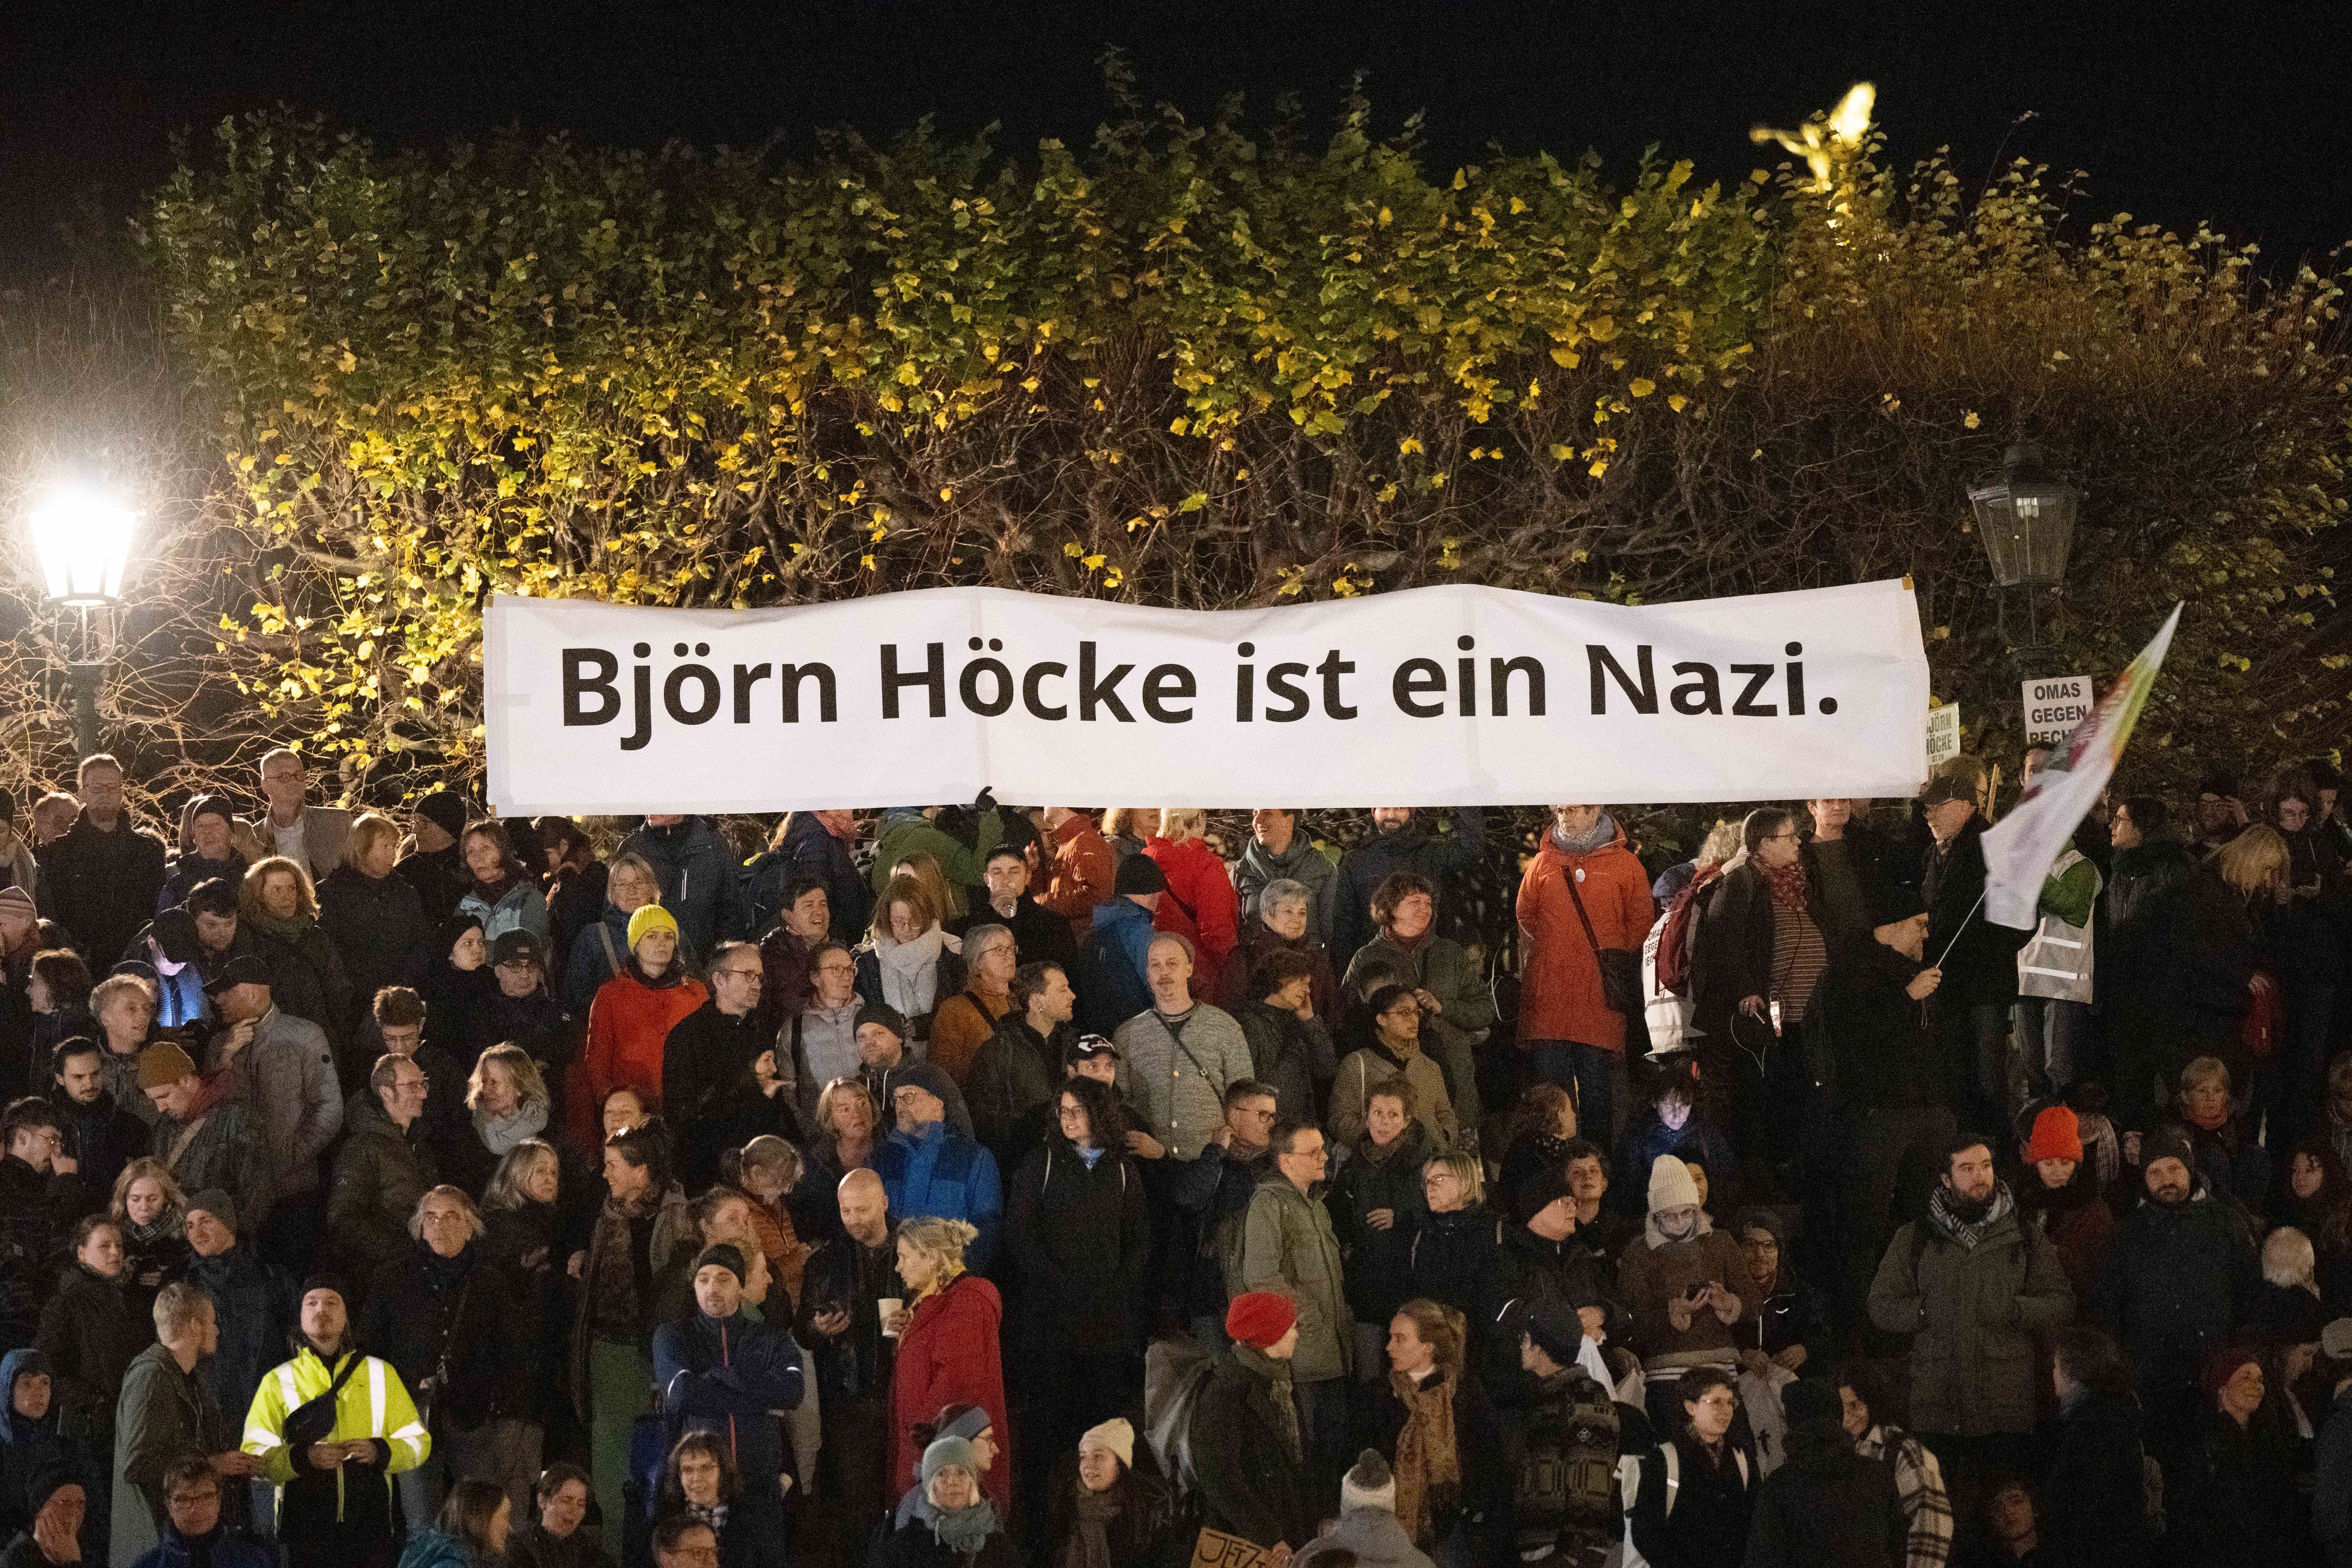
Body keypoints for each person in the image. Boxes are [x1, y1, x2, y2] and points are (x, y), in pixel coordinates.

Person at [1868, 1136, 2073, 1502]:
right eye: (1967, 1168)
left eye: (1986, 1166)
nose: (1980, 1176)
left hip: (2006, 1408)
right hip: (1939, 1409)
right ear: (1946, 1179)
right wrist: (1922, 1312)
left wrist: (2016, 1310)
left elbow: (2061, 1303)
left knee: (2007, 1512)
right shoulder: (1915, 1238)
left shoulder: (2024, 1234)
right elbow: (1881, 1306)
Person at [1005, 1077, 1150, 1473]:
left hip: (1106, 1323)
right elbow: (1020, 1234)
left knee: (1101, 1422)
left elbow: (1138, 1238)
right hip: (1052, 1320)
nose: (1068, 1119)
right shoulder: (1042, 1163)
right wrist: (1057, 1284)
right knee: (1049, 1425)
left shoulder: (1122, 1168)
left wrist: (1116, 1289)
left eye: (1078, 1110)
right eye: (1063, 1111)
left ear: (1099, 1113)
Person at [1821, 891, 1958, 1306]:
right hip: (1880, 1116)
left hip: (1927, 1110)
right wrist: (1905, 998)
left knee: (1925, 1216)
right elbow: (1853, 1040)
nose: (1926, 934)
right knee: (1868, 1219)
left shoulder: (1917, 971)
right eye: (1920, 924)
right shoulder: (1852, 972)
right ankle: (1862, 1308)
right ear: (1892, 926)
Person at [362, 1187, 528, 1529]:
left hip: (473, 1417)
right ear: (420, 1227)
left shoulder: (490, 1282)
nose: (440, 1225)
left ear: (470, 1227)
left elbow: (512, 1351)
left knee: (480, 1522)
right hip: (411, 1415)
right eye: (432, 1217)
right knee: (421, 1523)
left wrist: (493, 1401)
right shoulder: (391, 1278)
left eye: (452, 1216)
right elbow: (371, 1348)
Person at [2089, 1128, 2260, 1450]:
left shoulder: (2225, 1223)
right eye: (2154, 1172)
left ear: (2190, 1170)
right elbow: (2107, 1306)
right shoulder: (2127, 1234)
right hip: (2152, 1381)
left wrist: (2238, 1357)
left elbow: (2249, 1293)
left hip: (2215, 1375)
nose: (2166, 1180)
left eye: (2173, 1168)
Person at [242, 1276, 429, 1568]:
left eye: (332, 1303)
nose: (321, 1309)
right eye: (312, 1303)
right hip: (305, 1532)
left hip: (372, 1529)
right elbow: (255, 1455)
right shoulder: (277, 1381)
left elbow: (419, 1442)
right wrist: (304, 1459)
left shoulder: (381, 1373)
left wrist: (380, 1452)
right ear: (300, 1316)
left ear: (346, 1317)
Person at [567, 1121, 692, 1536]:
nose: (605, 1174)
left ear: (642, 1172)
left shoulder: (680, 1220)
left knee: (662, 1467)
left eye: (613, 1165)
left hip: (660, 1355)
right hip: (611, 1353)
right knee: (610, 1468)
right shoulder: (607, 1218)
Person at [1690, 806, 1830, 1170]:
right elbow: (1724, 938)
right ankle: (1763, 1173)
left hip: (1803, 1015)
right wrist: (1746, 989)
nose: (1798, 842)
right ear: (1765, 844)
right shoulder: (1742, 881)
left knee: (1799, 1096)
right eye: (1789, 836)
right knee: (1763, 1099)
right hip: (1763, 1019)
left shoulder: (1797, 882)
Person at [1515, 804, 1656, 1147]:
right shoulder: (1542, 864)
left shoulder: (1627, 865)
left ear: (1595, 810)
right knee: (1549, 1104)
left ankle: (1596, 1169)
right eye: (1560, 810)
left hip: (1599, 1000)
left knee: (1598, 1098)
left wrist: (1600, 956)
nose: (1564, 818)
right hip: (1551, 1001)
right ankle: (1552, 1170)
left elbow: (1641, 927)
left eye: (1573, 810)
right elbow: (1526, 916)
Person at [1342, 874, 1495, 1146]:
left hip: (1456, 1082)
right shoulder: (1367, 958)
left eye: (1428, 903)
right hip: (1391, 1087)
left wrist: (1443, 1008)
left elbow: (1485, 1010)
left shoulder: (1450, 953)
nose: (1425, 909)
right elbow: (1348, 1019)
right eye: (1415, 902)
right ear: (1391, 908)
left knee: (1459, 1163)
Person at [1240, 1119, 1349, 1499]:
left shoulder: (1316, 1205)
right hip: (1302, 1359)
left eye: (1323, 1149)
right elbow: (1261, 1276)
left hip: (1334, 1352)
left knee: (1336, 1453)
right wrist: (1309, 1315)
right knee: (1312, 1460)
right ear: (1286, 1161)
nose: (1324, 1157)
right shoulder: (1268, 1205)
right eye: (1313, 1152)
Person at [208, 955, 342, 1262]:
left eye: (226, 991)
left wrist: (292, 1154)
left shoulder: (305, 1036)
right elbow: (208, 1110)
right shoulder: (219, 1045)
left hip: (293, 1192)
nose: (218, 999)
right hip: (236, 1194)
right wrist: (226, 1057)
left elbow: (330, 1108)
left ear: (251, 992)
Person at [793, 1169, 897, 1562]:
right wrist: (818, 1329)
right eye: (846, 1210)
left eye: (862, 1210)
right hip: (848, 1397)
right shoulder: (825, 1262)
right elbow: (803, 1331)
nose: (854, 1219)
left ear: (884, 1204)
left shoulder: (914, 1248)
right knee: (856, 1507)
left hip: (901, 1390)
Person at [651, 1244, 804, 1506]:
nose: (712, 1288)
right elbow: (682, 1395)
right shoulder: (672, 1337)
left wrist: (716, 1380)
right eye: (703, 1280)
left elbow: (792, 1392)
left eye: (724, 1279)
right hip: (697, 1485)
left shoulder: (773, 1338)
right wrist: (761, 1398)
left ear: (741, 1286)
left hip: (759, 1484)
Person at [111, 1285, 251, 1568]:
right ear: (195, 1325)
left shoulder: (189, 1379)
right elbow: (138, 1463)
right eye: (212, 1322)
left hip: (184, 1536)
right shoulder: (151, 1376)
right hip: (158, 1541)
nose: (218, 1331)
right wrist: (213, 1464)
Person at [1917, 771, 2025, 1131]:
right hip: (1946, 985)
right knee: (1955, 1075)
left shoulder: (1994, 847)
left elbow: (2022, 918)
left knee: (1986, 1078)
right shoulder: (1934, 853)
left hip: (1983, 987)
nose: (1929, 815)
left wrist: (1985, 952)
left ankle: (1996, 1147)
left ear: (1966, 805)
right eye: (1926, 808)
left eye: (1938, 806)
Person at [886, 1217, 1009, 1521]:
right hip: (928, 1451)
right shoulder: (930, 1303)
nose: (898, 1267)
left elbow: (956, 1383)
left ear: (931, 1256)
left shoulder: (968, 1300)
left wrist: (920, 1440)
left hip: (946, 1461)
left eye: (904, 1257)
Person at [33, 1215, 141, 1542]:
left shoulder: (124, 1298)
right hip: (87, 1434)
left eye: (119, 1245)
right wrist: (93, 1401)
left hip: (121, 1426)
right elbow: (47, 1369)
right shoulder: (67, 1302)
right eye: (104, 1246)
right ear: (82, 1253)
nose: (115, 1253)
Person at [1367, 1299, 1501, 1560]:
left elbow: (1489, 1463)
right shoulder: (1377, 1395)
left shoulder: (1466, 1394)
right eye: (1390, 1337)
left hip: (1454, 1529)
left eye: (1400, 1339)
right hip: (1386, 1531)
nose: (1389, 1347)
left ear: (1428, 1347)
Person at [1191, 1291, 1314, 1557]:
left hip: (1286, 1522)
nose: (1297, 1335)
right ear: (1270, 1335)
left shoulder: (1278, 1379)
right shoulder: (1226, 1393)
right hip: (1251, 1540)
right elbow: (1219, 1477)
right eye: (1291, 1328)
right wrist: (1270, 1536)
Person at [573, 905, 707, 1149]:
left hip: (687, 1112)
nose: (662, 944)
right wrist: (612, 1105)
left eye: (669, 937)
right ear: (636, 944)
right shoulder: (611, 995)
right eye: (652, 936)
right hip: (632, 1116)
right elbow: (597, 1059)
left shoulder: (696, 993)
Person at [1330, 1082, 1436, 1389]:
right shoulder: (1353, 1163)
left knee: (1406, 1375)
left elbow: (1441, 1212)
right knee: (1367, 1374)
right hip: (1365, 1283)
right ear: (1366, 1117)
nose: (1383, 1122)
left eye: (1393, 1115)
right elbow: (1337, 1217)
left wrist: (1402, 1217)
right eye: (1377, 1113)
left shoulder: (1423, 1163)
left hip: (1408, 1285)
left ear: (1407, 1121)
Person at [1113, 934, 1254, 1161]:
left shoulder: (1225, 1027)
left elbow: (1244, 1098)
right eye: (1155, 965)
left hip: (1211, 1164)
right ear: (1148, 974)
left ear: (1189, 969)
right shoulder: (1127, 1035)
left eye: (1172, 964)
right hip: (1151, 1165)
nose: (1164, 973)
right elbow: (1120, 1102)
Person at [1740, 1377, 1903, 1568]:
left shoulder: (1778, 1487)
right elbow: (1897, 1549)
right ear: (1838, 1415)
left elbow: (1762, 1560)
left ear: (1792, 1422)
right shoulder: (1877, 1475)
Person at [659, 943, 783, 1191]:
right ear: (719, 980)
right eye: (748, 975)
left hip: (764, 1169)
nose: (757, 984)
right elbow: (682, 1117)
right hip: (710, 1174)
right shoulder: (687, 1037)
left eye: (760, 976)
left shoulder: (761, 1031)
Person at [2167, 1344, 2303, 1566]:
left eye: (2260, 1380)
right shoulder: (2207, 1440)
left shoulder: (2262, 1438)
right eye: (2245, 1378)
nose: (2256, 1386)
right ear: (2222, 1388)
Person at [176, 1191, 297, 1432]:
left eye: (205, 1221)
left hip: (271, 1401)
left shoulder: (270, 1275)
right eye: (190, 1226)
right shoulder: (184, 1283)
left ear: (228, 1223)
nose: (196, 1233)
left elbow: (297, 1339)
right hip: (213, 1410)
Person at [37, 755, 166, 971]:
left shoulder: (147, 851)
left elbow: (157, 914)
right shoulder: (58, 854)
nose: (105, 794)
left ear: (121, 793)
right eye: (96, 788)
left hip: (137, 967)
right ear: (82, 793)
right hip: (79, 969)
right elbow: (52, 921)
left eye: (112, 787)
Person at [319, 815, 435, 1047]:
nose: (393, 854)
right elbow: (329, 951)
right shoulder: (333, 893)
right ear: (363, 849)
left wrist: (406, 987)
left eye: (394, 846)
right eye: (384, 846)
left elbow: (421, 944)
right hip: (353, 1005)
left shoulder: (406, 893)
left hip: (401, 1001)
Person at [2040, 1324, 2148, 1568]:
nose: (2053, 1373)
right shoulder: (2106, 1416)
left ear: (2070, 1370)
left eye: (2056, 1366)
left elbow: (2087, 1513)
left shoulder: (2092, 1426)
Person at [875, 1065, 1002, 1270]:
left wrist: (954, 1278)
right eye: (896, 1099)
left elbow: (985, 1229)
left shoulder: (975, 1158)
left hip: (951, 1280)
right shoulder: (881, 1159)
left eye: (909, 1096)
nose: (900, 1105)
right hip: (895, 1278)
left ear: (938, 1102)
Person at [325, 1054, 439, 1281]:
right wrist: (404, 1252)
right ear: (386, 1093)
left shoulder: (419, 1142)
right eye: (413, 1086)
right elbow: (343, 1219)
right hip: (387, 1273)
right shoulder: (362, 1148)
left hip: (423, 1266)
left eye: (423, 1084)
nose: (424, 1094)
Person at [1627, 1366, 1754, 1568]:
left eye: (1731, 1402)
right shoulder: (1665, 1459)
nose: (1726, 1410)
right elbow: (1646, 1533)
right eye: (1716, 1402)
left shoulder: (1741, 1456)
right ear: (1691, 1407)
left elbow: (1752, 1522)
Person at [1332, 807, 1488, 971]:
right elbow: (1344, 926)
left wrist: (1462, 799)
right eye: (1384, 808)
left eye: (1399, 808)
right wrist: (1349, 975)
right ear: (1373, 812)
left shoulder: (1431, 854)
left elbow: (1472, 848)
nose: (1391, 815)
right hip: (1376, 969)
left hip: (1430, 966)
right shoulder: (1356, 861)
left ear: (1411, 812)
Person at [1834, 1362, 1953, 1568]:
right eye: (1840, 1408)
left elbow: (1932, 1526)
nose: (1847, 1417)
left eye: (1855, 1405)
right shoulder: (1838, 1450)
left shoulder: (1904, 1451)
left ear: (1872, 1402)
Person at [963, 961, 1076, 1173]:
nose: (1073, 996)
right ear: (1037, 1001)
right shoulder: (997, 1052)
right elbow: (984, 1123)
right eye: (1063, 990)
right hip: (1024, 1168)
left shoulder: (1075, 1046)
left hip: (1073, 1166)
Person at [0, 1099, 95, 1346]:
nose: (57, 1151)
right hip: (20, 1318)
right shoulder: (14, 1186)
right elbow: (53, 1241)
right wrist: (67, 1183)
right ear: (22, 1138)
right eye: (52, 1140)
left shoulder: (33, 1184)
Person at [237, 857, 352, 1052]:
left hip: (322, 1040)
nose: (287, 897)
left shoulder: (315, 936)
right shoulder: (250, 941)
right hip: (275, 1045)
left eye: (292, 888)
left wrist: (337, 1033)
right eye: (277, 890)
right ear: (259, 896)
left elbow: (339, 989)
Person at [1040, 1417, 1182, 1568]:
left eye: (1098, 1456)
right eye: (1083, 1457)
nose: (1088, 1465)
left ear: (1120, 1464)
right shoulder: (1065, 1506)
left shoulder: (1147, 1515)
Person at [1329, 986, 1457, 1150]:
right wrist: (1380, 1138)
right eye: (1404, 1013)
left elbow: (1446, 1114)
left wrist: (1442, 1137)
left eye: (1417, 1013)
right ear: (1382, 1019)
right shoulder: (1356, 1065)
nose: (1414, 1020)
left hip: (1428, 1159)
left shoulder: (1430, 1067)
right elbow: (1339, 1119)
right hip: (1378, 1161)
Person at [1230, 946, 1339, 1129]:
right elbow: (1246, 1084)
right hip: (1270, 1128)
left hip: (1301, 1127)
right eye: (1302, 982)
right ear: (1280, 979)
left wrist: (1311, 1022)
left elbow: (1328, 1069)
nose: (1308, 991)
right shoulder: (1249, 1024)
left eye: (1309, 984)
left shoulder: (1301, 1023)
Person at [614, 816, 748, 961]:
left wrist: (716, 963)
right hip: (645, 967)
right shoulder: (631, 848)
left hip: (701, 966)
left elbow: (731, 910)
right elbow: (615, 916)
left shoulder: (713, 845)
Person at [870, 1434, 1015, 1567]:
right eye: (942, 1474)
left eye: (961, 1473)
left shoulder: (993, 1536)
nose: (952, 1482)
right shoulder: (907, 1541)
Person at [856, 876, 966, 1042]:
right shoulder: (869, 964)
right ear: (887, 919)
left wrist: (923, 1025)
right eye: (898, 921)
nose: (907, 928)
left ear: (926, 917)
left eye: (914, 921)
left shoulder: (952, 953)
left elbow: (960, 1013)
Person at [650, 1433, 781, 1568]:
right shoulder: (663, 1520)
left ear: (724, 1472)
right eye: (688, 1470)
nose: (696, 1478)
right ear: (679, 1477)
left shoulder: (756, 1519)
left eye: (706, 1468)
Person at [124, 1457, 275, 1568]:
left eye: (206, 1497)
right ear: (169, 1505)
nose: (196, 1508)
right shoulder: (146, 1565)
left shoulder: (254, 1561)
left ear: (219, 1500)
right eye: (183, 1499)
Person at [561, 853, 664, 1014]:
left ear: (652, 889)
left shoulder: (671, 931)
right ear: (612, 893)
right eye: (622, 884)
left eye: (639, 883)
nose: (632, 890)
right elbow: (575, 999)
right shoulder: (593, 937)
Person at [854, 1005, 976, 1138]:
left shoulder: (930, 1077)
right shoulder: (857, 1088)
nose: (869, 1043)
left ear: (899, 1037)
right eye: (861, 1037)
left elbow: (963, 1137)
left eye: (878, 1034)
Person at [53, 1040, 149, 1205]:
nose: (89, 1084)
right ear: (60, 1079)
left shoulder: (130, 1126)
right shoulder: (48, 1126)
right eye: (79, 1077)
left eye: (95, 1074)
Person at [1074, 854, 1161, 1034]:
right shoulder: (1138, 928)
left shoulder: (1099, 923)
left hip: (1102, 1024)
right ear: (1151, 894)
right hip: (1138, 1025)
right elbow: (1154, 981)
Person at [756, 810, 868, 946]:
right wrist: (831, 946)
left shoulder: (818, 834)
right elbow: (812, 900)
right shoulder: (816, 841)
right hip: (830, 945)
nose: (849, 811)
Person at [781, 942, 862, 1125]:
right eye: (836, 970)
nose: (846, 976)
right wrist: (810, 1133)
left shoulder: (868, 1017)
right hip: (821, 1132)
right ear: (815, 978)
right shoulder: (795, 1029)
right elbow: (790, 1093)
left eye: (850, 969)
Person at [925, 924, 1016, 1086]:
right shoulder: (955, 1010)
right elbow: (943, 1076)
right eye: (1000, 950)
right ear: (977, 961)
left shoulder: (1021, 1001)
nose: (1010, 956)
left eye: (1011, 949)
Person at [1237, 808, 1340, 948]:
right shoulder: (1242, 870)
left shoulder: (1322, 869)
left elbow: (1333, 933)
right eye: (1255, 814)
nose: (1257, 820)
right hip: (1255, 960)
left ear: (1289, 821)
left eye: (1267, 813)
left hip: (1306, 960)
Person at [0, 1352, 69, 1550]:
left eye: (45, 1383)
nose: (39, 1393)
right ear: (7, 1388)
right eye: (27, 1384)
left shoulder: (66, 1452)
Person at [750, 876, 828, 1034]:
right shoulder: (774, 951)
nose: (819, 912)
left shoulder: (838, 948)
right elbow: (791, 1003)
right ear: (788, 916)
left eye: (823, 905)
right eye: (809, 905)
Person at [106, 1161, 185, 1318]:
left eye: (153, 1199)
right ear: (124, 1199)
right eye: (135, 1199)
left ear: (166, 1198)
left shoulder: (185, 1233)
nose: (144, 1207)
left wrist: (170, 1279)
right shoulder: (113, 1233)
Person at [535, 820, 610, 977]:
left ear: (564, 846)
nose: (543, 861)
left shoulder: (587, 878)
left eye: (547, 854)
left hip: (580, 970)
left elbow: (570, 930)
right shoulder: (563, 877)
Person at [454, 822, 548, 945]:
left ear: (504, 852)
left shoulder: (529, 899)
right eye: (471, 852)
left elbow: (529, 952)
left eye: (486, 848)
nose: (478, 858)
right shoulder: (465, 907)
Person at [501, 1463, 612, 1568]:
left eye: (581, 1504)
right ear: (543, 1501)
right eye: (566, 1501)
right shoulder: (520, 1547)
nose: (574, 1510)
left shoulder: (590, 1550)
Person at [1036, 808, 1115, 951]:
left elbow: (1097, 896)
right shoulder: (1068, 842)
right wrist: (1034, 869)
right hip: (1071, 941)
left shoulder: (1085, 841)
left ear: (1063, 805)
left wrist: (1045, 902)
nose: (1044, 805)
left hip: (1081, 945)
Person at [1, 1472, 92, 1568]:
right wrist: (73, 1562)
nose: (75, 1513)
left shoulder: (86, 1551)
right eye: (65, 1503)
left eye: (81, 1505)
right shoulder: (16, 1559)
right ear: (40, 1508)